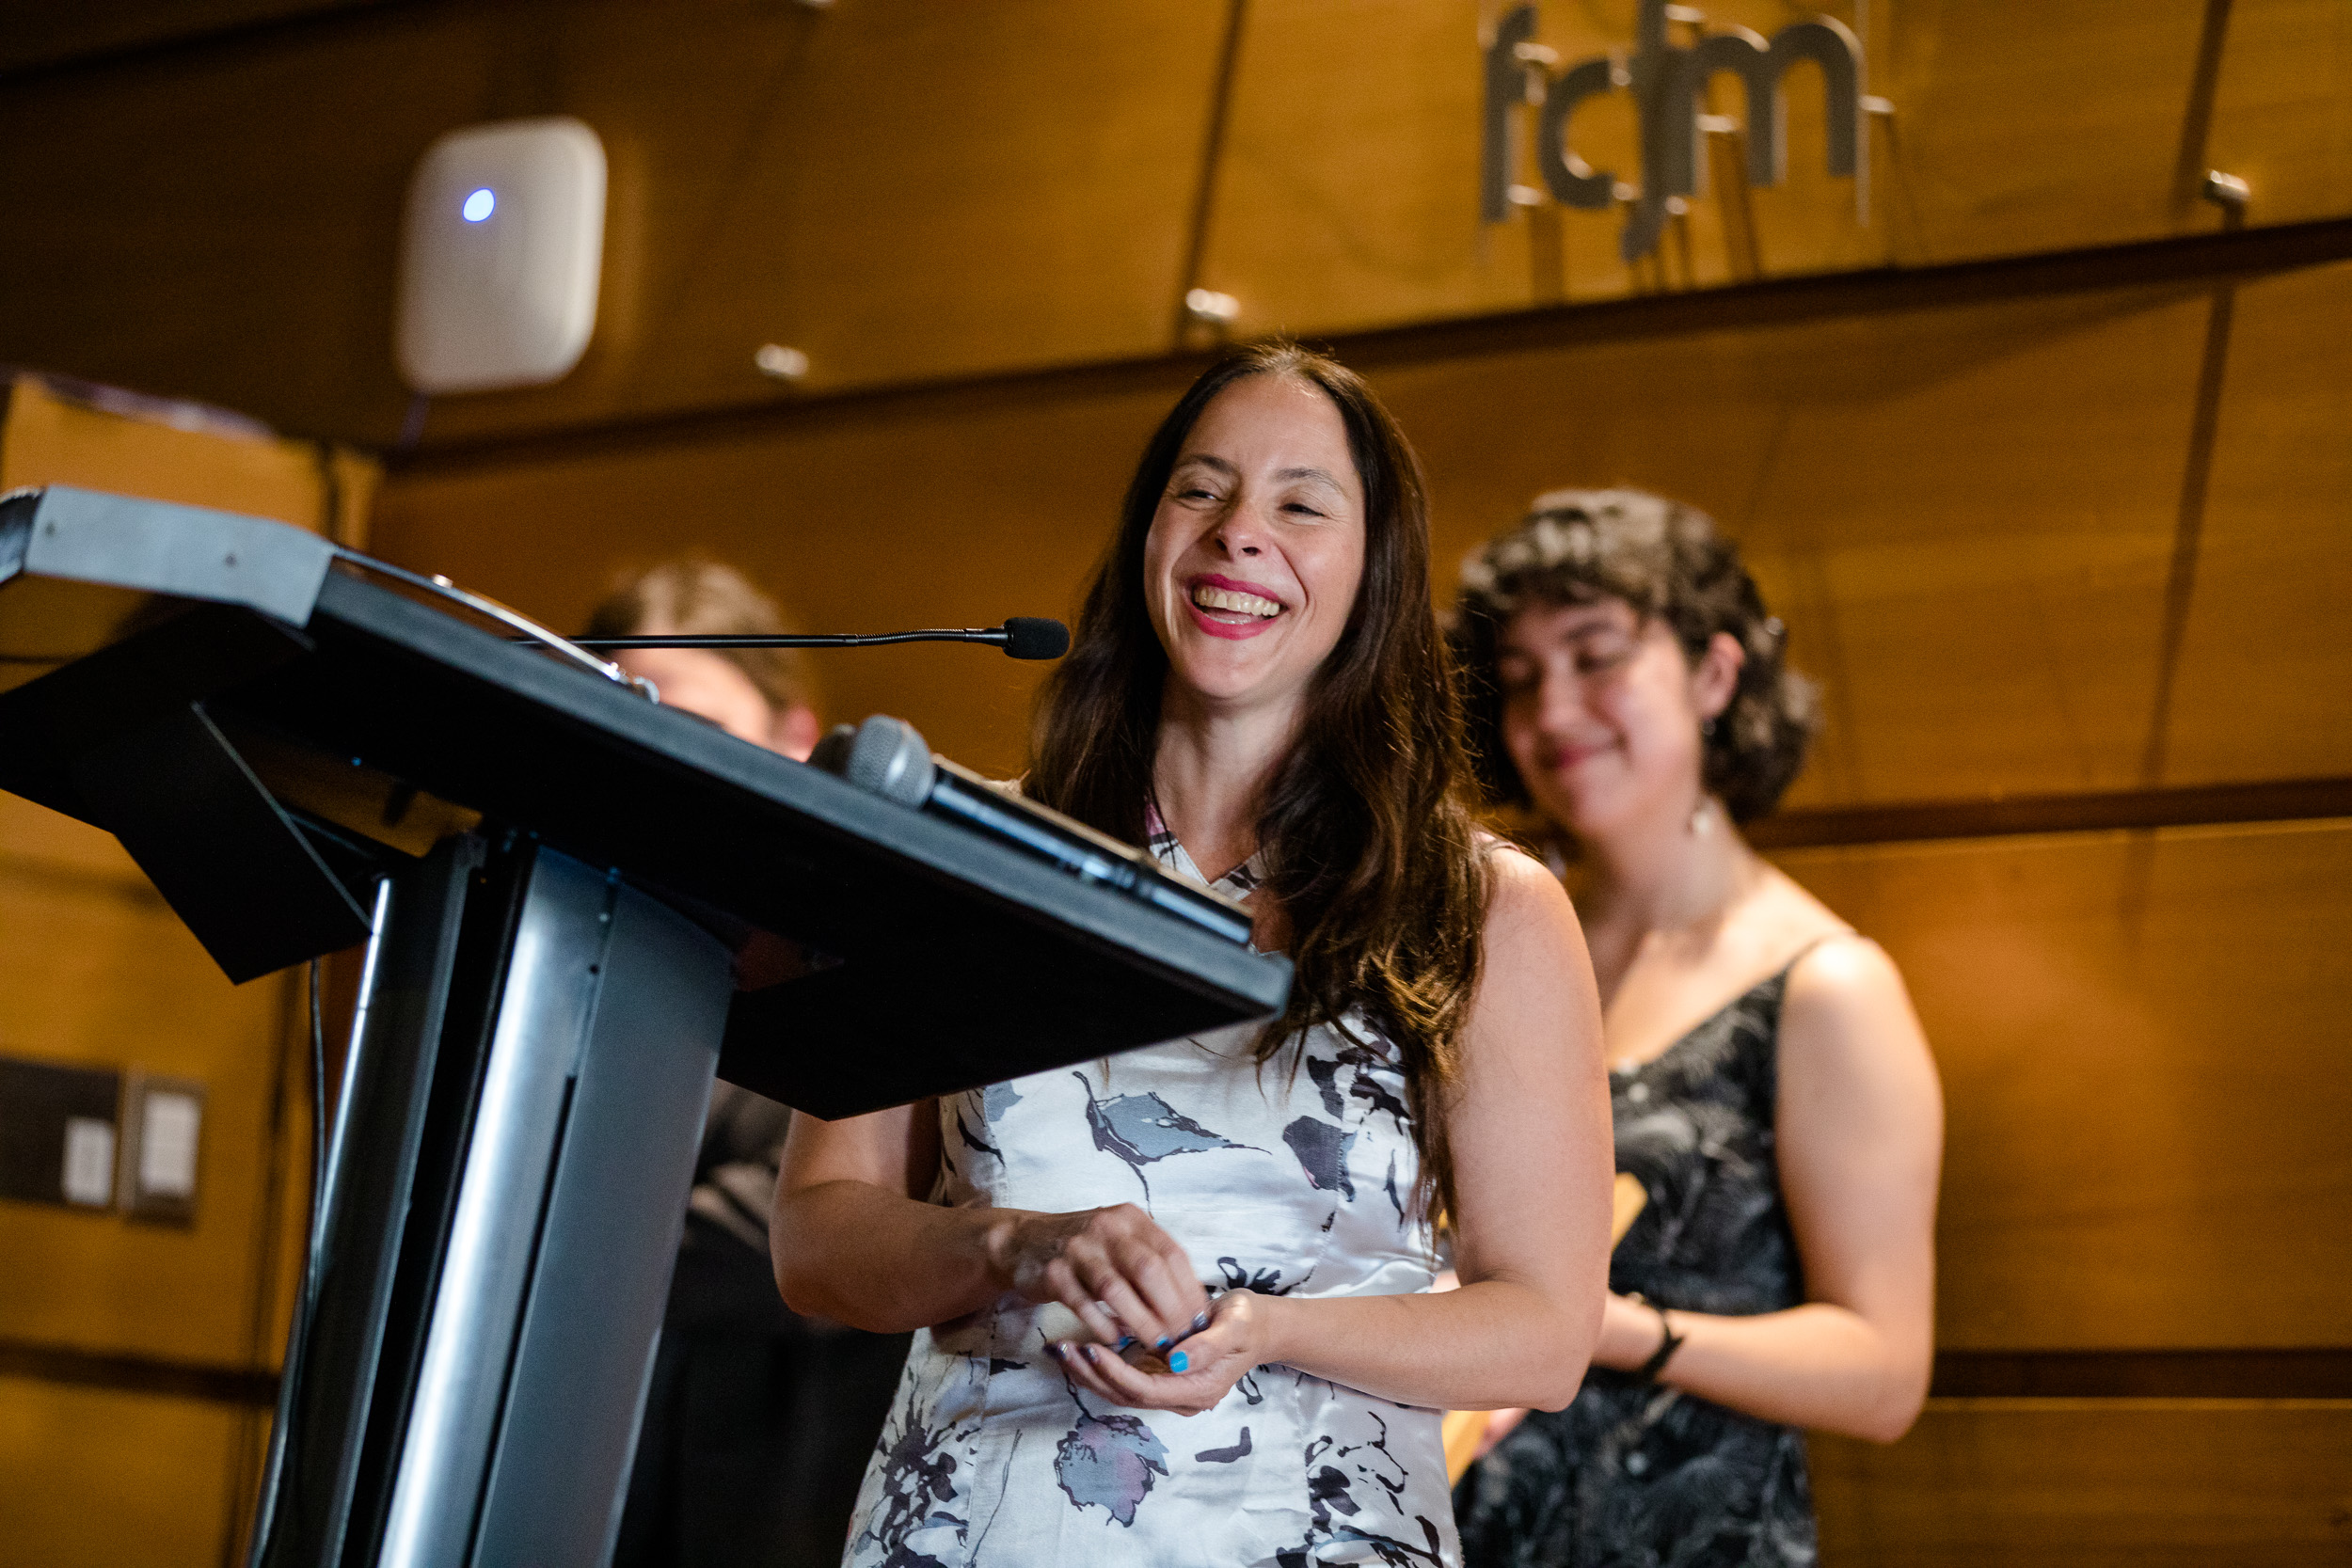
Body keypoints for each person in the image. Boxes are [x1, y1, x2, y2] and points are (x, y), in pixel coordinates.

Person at [770, 344, 1616, 1567]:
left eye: (1300, 505)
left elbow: (1544, 1332)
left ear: (1375, 572)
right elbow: (815, 1239)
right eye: (1201, 489)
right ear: (1147, 536)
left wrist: (1267, 1327)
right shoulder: (958, 854)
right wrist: (1010, 1244)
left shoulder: (1485, 906)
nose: (1238, 533)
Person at [1445, 491, 1944, 1567]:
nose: (1552, 711)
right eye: (1520, 676)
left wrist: (1614, 1327)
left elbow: (1884, 1372)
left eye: (1595, 657)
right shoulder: (1484, 943)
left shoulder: (1826, 984)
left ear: (1714, 674)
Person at [596, 559, 912, 1568]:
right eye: (626, 722)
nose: (660, 758)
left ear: (795, 737)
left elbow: (788, 1228)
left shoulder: (862, 930)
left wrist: (568, 1229)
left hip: (784, 1481)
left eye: (699, 725)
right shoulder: (588, 922)